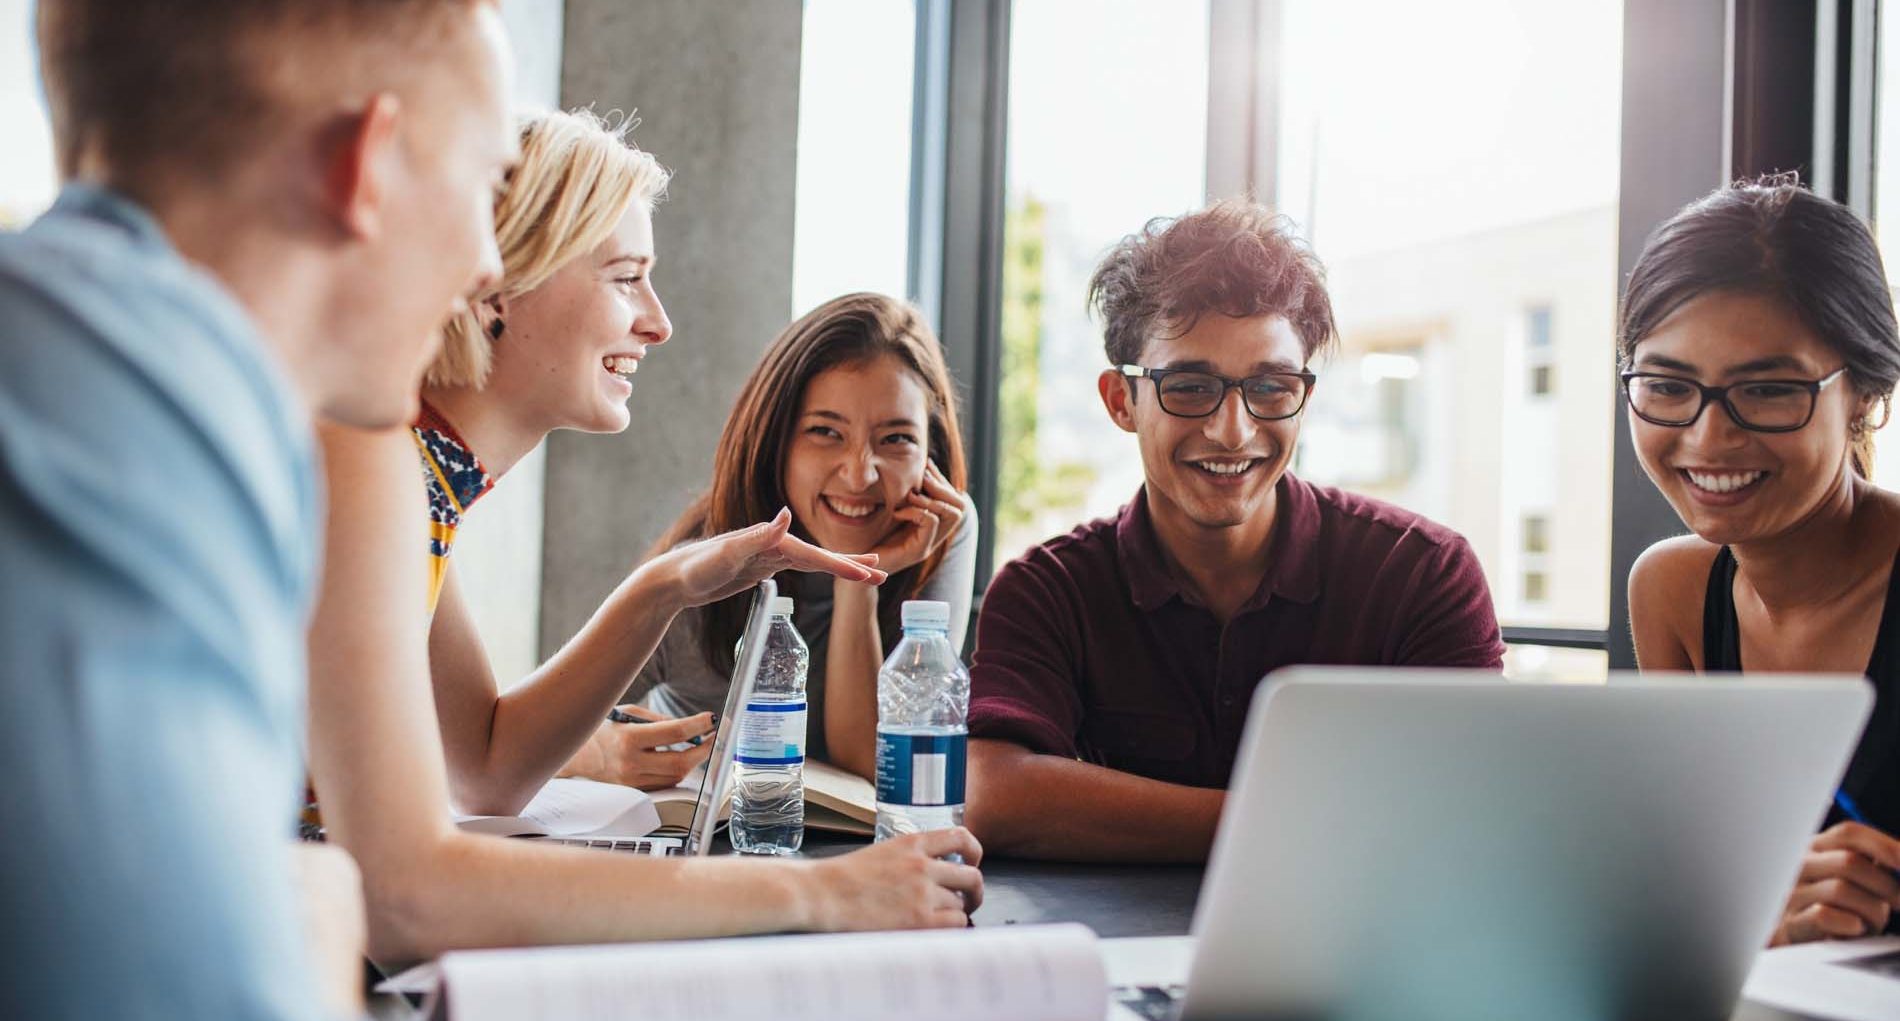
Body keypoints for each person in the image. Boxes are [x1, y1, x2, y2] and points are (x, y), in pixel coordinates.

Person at [309, 108, 983, 964]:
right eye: (626, 276)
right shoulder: (370, 468)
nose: (658, 323)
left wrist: (665, 585)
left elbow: (484, 766)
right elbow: (409, 893)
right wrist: (821, 890)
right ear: (495, 286)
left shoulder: (421, 486)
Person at [1, 0, 518, 1016]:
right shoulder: (136, 420)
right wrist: (317, 921)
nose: (489, 263)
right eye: (484, 185)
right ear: (367, 163)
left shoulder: (91, 350)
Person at [962, 200, 1505, 863]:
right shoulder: (1048, 590)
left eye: (1271, 387)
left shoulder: (1422, 573)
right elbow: (994, 793)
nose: (1233, 429)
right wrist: (1310, 825)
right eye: (1190, 386)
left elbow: (1464, 811)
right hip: (1111, 957)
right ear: (1119, 400)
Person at [1623, 177, 1900, 944]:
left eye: (1771, 389)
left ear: (1867, 395)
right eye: (1668, 386)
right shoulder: (1671, 589)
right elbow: (1698, 877)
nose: (1709, 440)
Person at [556, 292, 974, 783]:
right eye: (825, 432)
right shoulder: (700, 573)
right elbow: (516, 741)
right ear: (776, 442)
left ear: (932, 454)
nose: (860, 475)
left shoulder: (941, 529)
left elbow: (869, 760)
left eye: (896, 439)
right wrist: (597, 754)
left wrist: (858, 581)